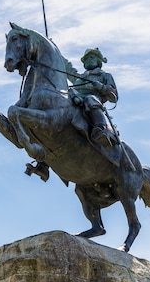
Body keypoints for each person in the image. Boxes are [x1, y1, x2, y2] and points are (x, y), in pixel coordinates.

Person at [26, 47, 121, 181]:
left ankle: (101, 130)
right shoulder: (79, 77)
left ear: (99, 61)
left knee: (90, 98)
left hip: (93, 103)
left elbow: (113, 97)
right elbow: (67, 67)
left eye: (92, 58)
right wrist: (52, 47)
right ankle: (43, 164)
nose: (88, 60)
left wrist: (100, 87)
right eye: (86, 58)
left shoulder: (104, 76)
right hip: (76, 101)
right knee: (55, 115)